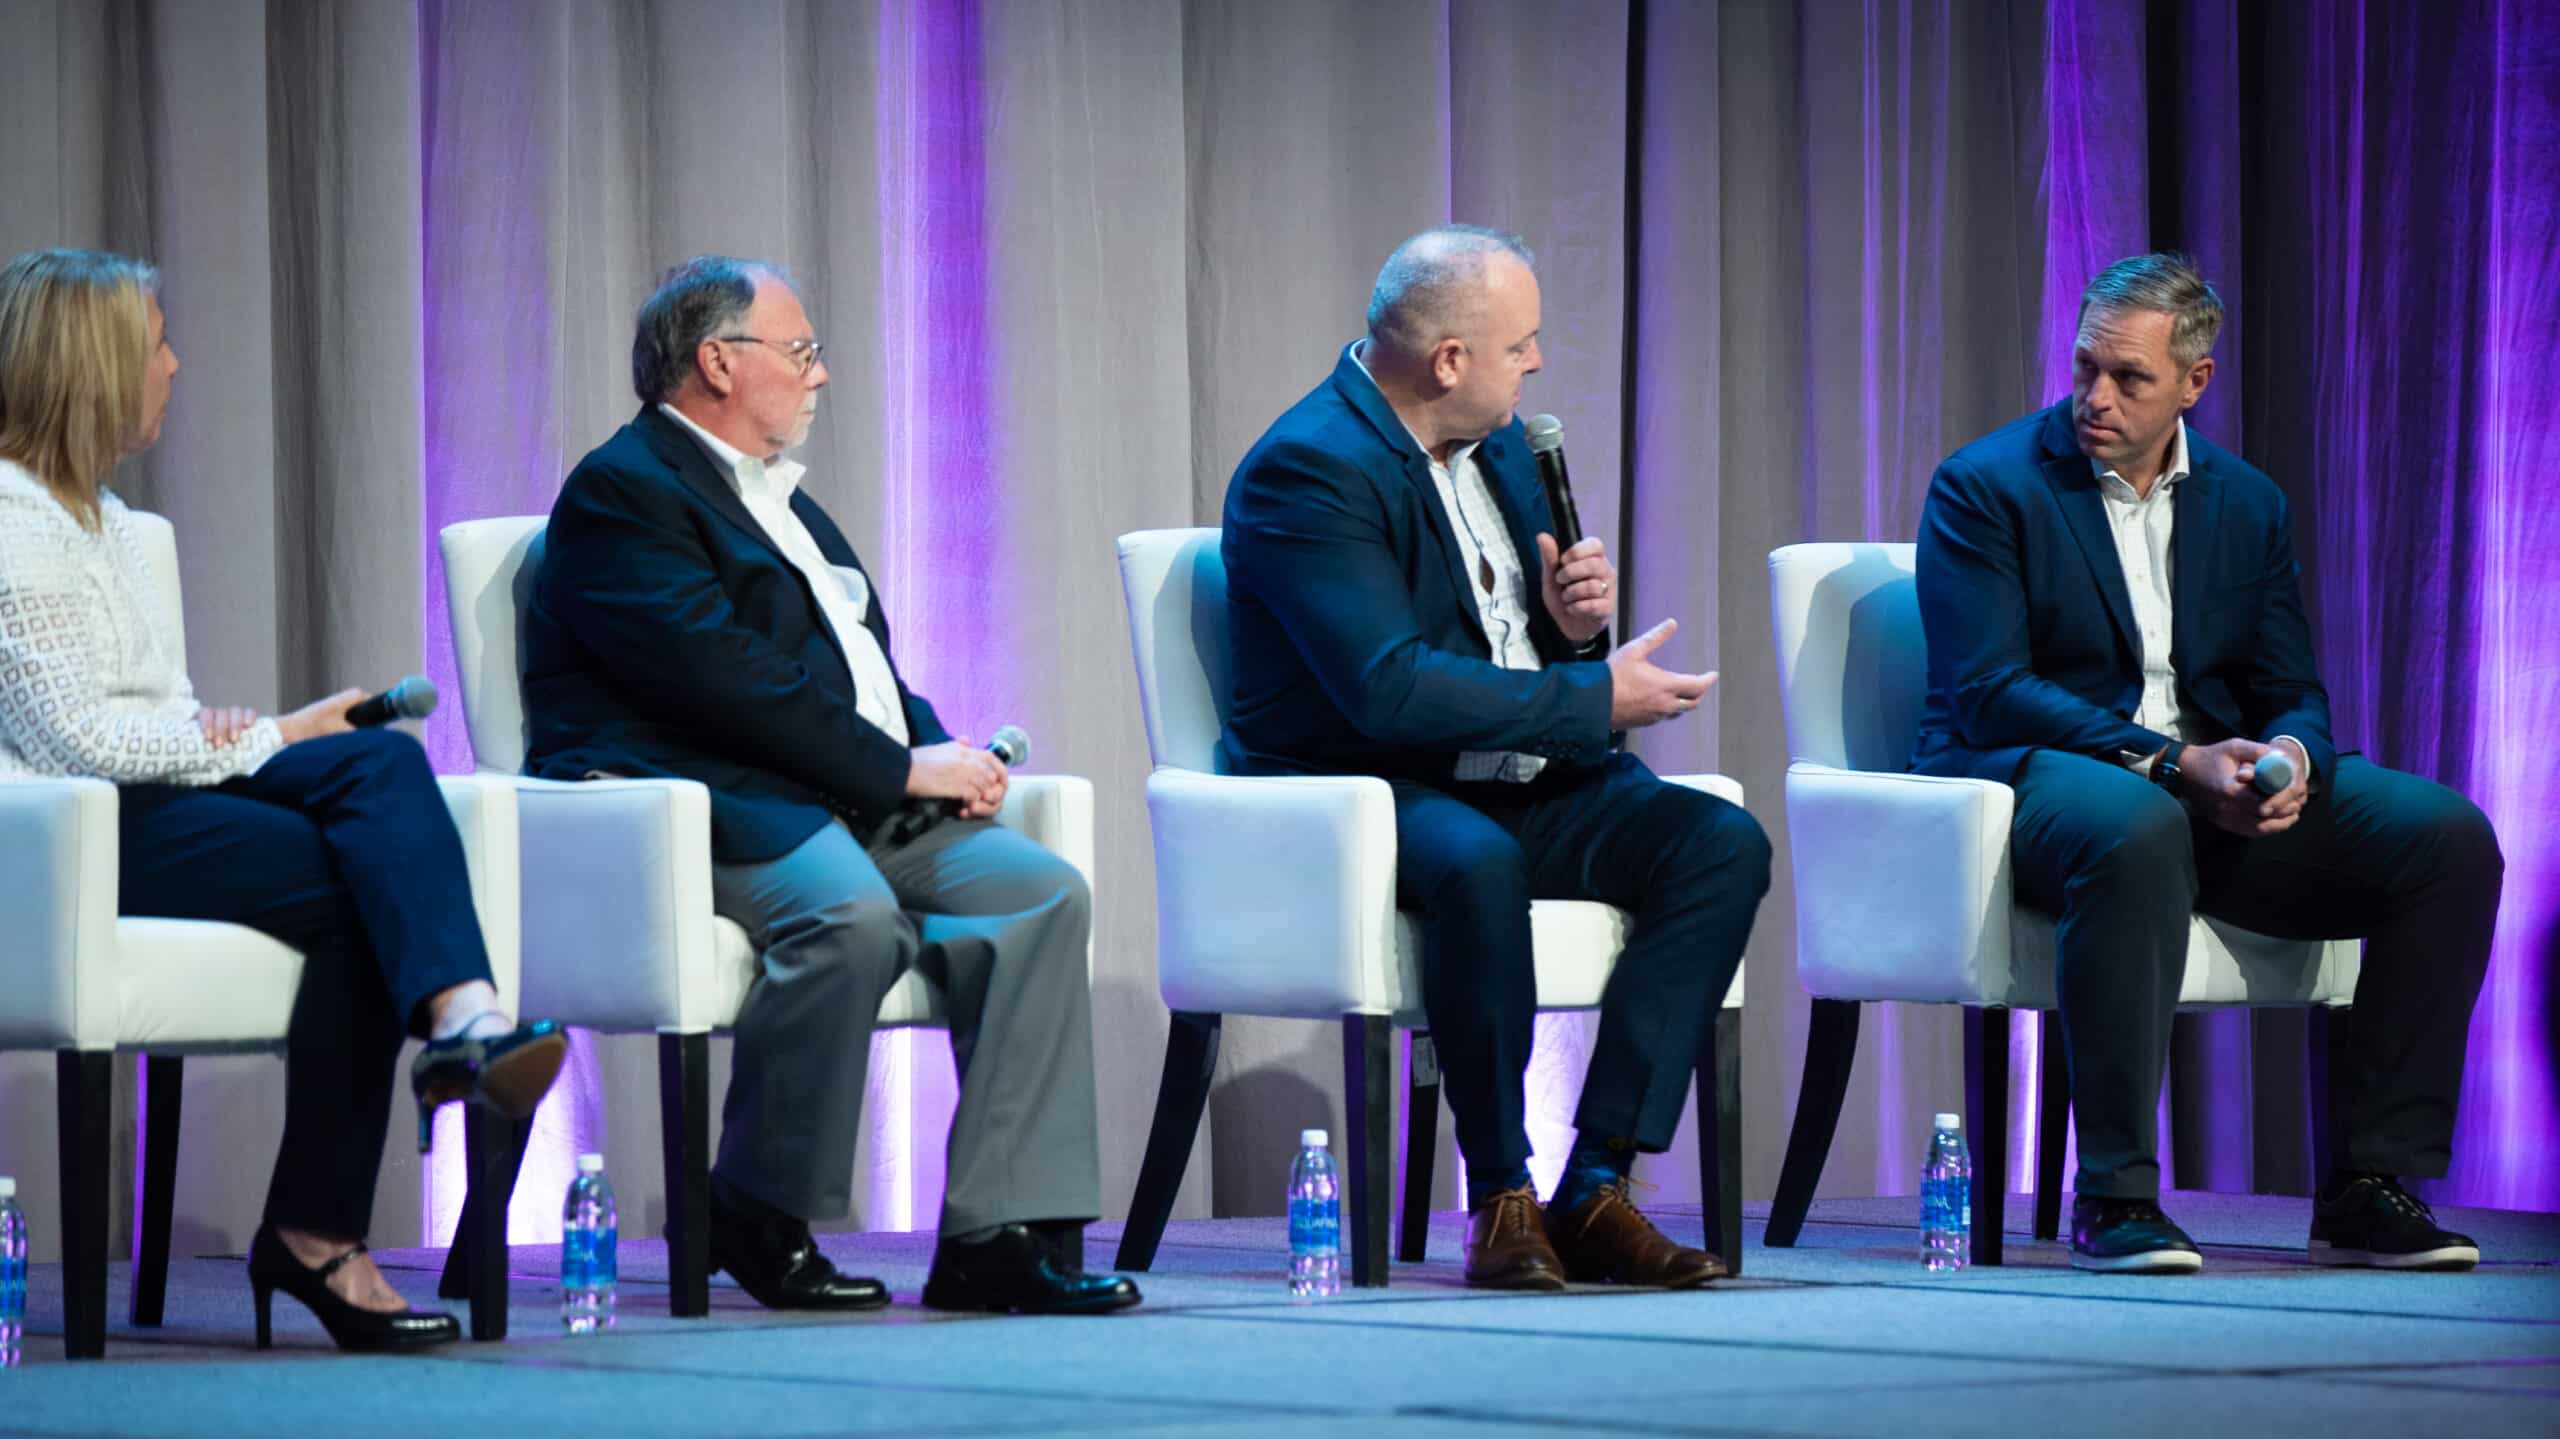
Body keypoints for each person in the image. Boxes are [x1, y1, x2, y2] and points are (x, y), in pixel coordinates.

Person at [522, 255, 1136, 1315]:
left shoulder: (781, 502)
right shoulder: (623, 490)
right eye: (799, 351)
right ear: (718, 361)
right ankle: (756, 1204)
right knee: (853, 918)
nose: (821, 376)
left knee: (1042, 891)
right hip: (688, 797)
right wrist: (899, 767)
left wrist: (948, 758)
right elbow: (718, 679)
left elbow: (860, 670)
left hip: (824, 788)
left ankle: (995, 1231)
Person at [0, 248, 565, 1350]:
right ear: (99, 365)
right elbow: (71, 737)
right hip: (69, 829)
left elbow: (152, 712)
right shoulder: (10, 520)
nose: (174, 364)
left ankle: (451, 1043)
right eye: (157, 342)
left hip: (152, 794)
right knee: (366, 849)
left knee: (383, 766)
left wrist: (234, 729)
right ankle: (341, 1197)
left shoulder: (108, 519)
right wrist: (263, 736)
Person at [1912, 252, 2503, 1273]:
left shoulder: (2246, 501)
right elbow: (1989, 688)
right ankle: (2116, 1194)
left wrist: (2287, 760)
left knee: (2446, 839)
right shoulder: (1985, 485)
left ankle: (2369, 1181)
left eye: (2128, 377)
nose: (2095, 396)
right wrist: (2169, 760)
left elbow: (2292, 686)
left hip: (2204, 783)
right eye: (2085, 367)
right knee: (2133, 824)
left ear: (2195, 380)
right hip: (2037, 773)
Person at [1220, 226, 1771, 1291]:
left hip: (1511, 768)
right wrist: (1589, 692)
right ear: (1448, 362)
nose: (1535, 363)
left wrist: (1574, 630)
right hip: (1364, 785)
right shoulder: (1309, 468)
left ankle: (1598, 1183)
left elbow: (1507, 643)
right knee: (1477, 863)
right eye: (1519, 344)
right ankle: (1500, 1194)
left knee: (1715, 844)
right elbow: (1385, 686)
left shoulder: (1507, 445)